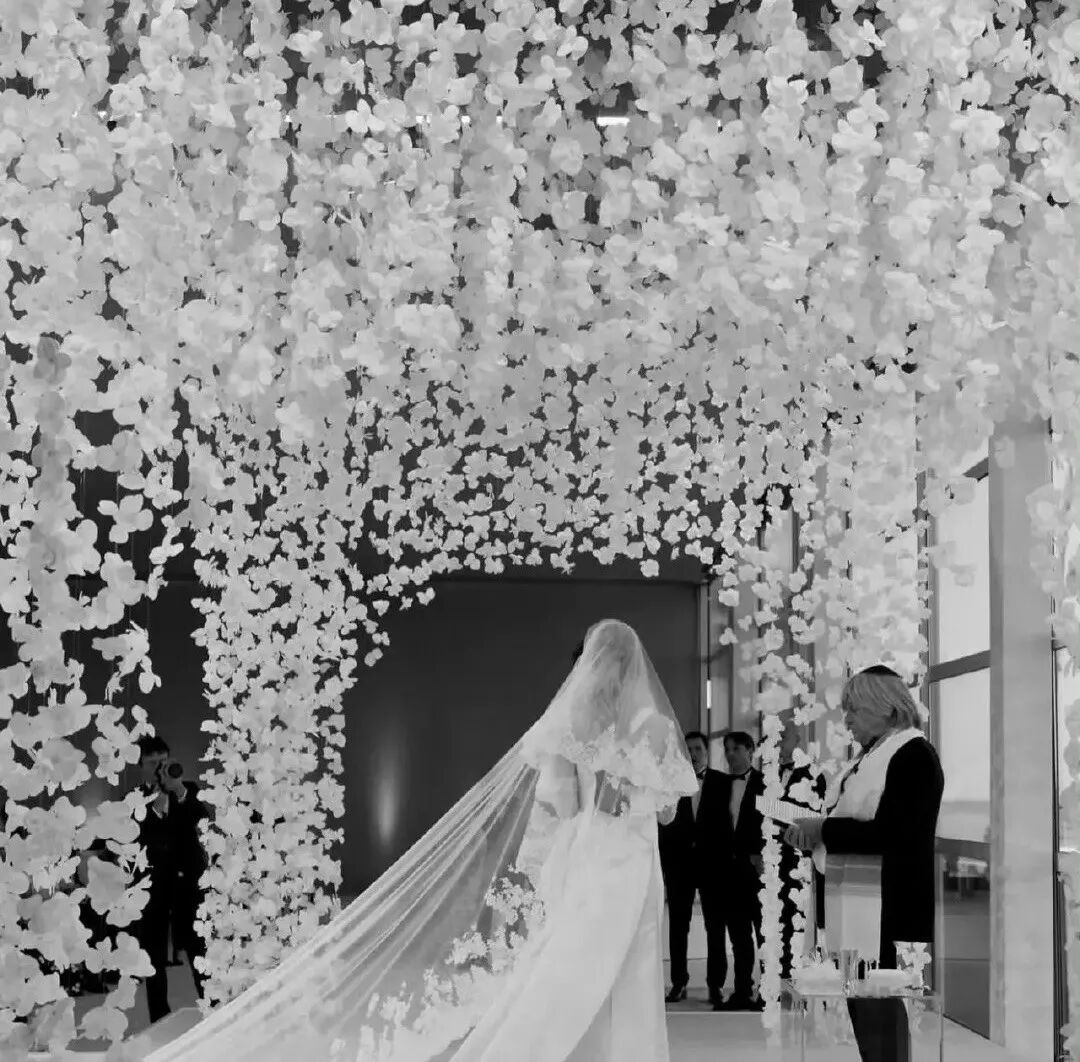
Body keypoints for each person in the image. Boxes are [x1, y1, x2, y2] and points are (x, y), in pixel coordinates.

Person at [136, 620, 698, 1062]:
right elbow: (667, 810)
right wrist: (630, 793)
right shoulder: (650, 725)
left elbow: (565, 806)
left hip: (582, 856)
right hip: (625, 858)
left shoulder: (571, 725)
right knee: (622, 964)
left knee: (568, 966)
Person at [785, 665, 943, 1062]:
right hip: (863, 898)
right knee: (864, 1003)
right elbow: (847, 820)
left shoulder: (913, 755)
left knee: (879, 1004)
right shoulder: (870, 756)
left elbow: (894, 833)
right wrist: (813, 835)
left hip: (887, 903)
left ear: (887, 708)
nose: (848, 720)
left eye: (855, 709)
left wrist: (823, 829)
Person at [134, 736, 208, 1023]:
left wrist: (178, 791)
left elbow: (202, 819)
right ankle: (160, 1021)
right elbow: (136, 837)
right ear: (141, 766)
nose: (158, 768)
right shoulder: (133, 799)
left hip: (187, 887)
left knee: (198, 951)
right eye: (152, 763)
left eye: (163, 762)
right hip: (152, 889)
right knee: (153, 958)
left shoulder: (187, 790)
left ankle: (213, 1010)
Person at [658, 730, 729, 1009]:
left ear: (707, 752)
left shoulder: (722, 782)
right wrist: (666, 864)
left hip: (713, 865)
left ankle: (715, 984)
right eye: (688, 749)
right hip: (680, 865)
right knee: (678, 926)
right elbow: (663, 828)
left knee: (715, 926)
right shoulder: (671, 784)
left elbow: (728, 824)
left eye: (698, 748)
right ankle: (678, 982)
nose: (693, 754)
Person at [776, 717, 826, 980]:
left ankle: (797, 978)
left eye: (783, 736)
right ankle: (773, 982)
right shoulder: (765, 774)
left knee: (798, 923)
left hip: (799, 861)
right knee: (772, 925)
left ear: (797, 740)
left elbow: (817, 816)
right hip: (770, 860)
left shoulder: (813, 774)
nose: (777, 742)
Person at [719, 730, 765, 1011]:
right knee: (738, 936)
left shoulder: (766, 783)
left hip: (757, 869)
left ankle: (768, 992)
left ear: (750, 750)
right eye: (727, 749)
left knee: (764, 933)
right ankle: (741, 991)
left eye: (735, 748)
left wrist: (759, 856)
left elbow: (771, 824)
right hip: (729, 869)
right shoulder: (720, 785)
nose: (730, 754)